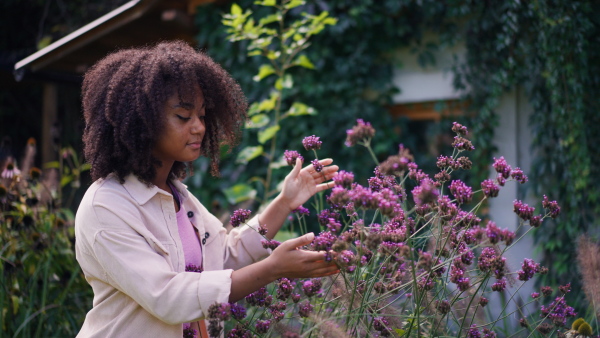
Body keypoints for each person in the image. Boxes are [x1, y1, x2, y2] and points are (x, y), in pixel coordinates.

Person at [74, 40, 339, 337]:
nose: (199, 126)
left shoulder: (179, 197)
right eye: (183, 116)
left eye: (201, 115)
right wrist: (273, 269)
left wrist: (285, 201)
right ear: (142, 121)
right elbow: (168, 298)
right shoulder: (106, 206)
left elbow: (224, 257)